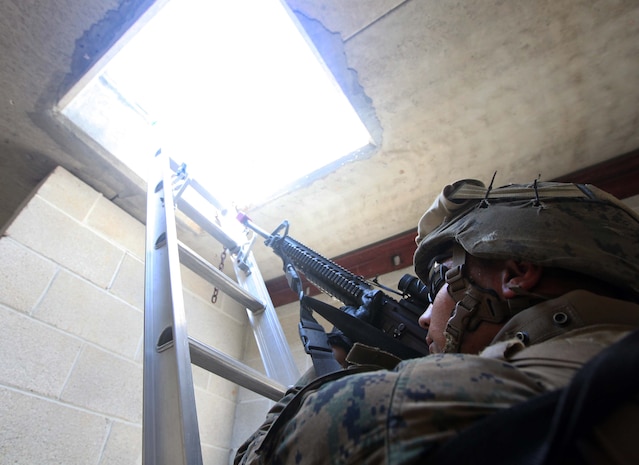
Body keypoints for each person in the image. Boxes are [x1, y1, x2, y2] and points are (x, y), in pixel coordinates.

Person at [234, 178, 639, 465]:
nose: (427, 313)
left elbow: (256, 457)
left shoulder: (406, 402)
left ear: (516, 273)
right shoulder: (610, 349)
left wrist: (335, 354)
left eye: (439, 281)